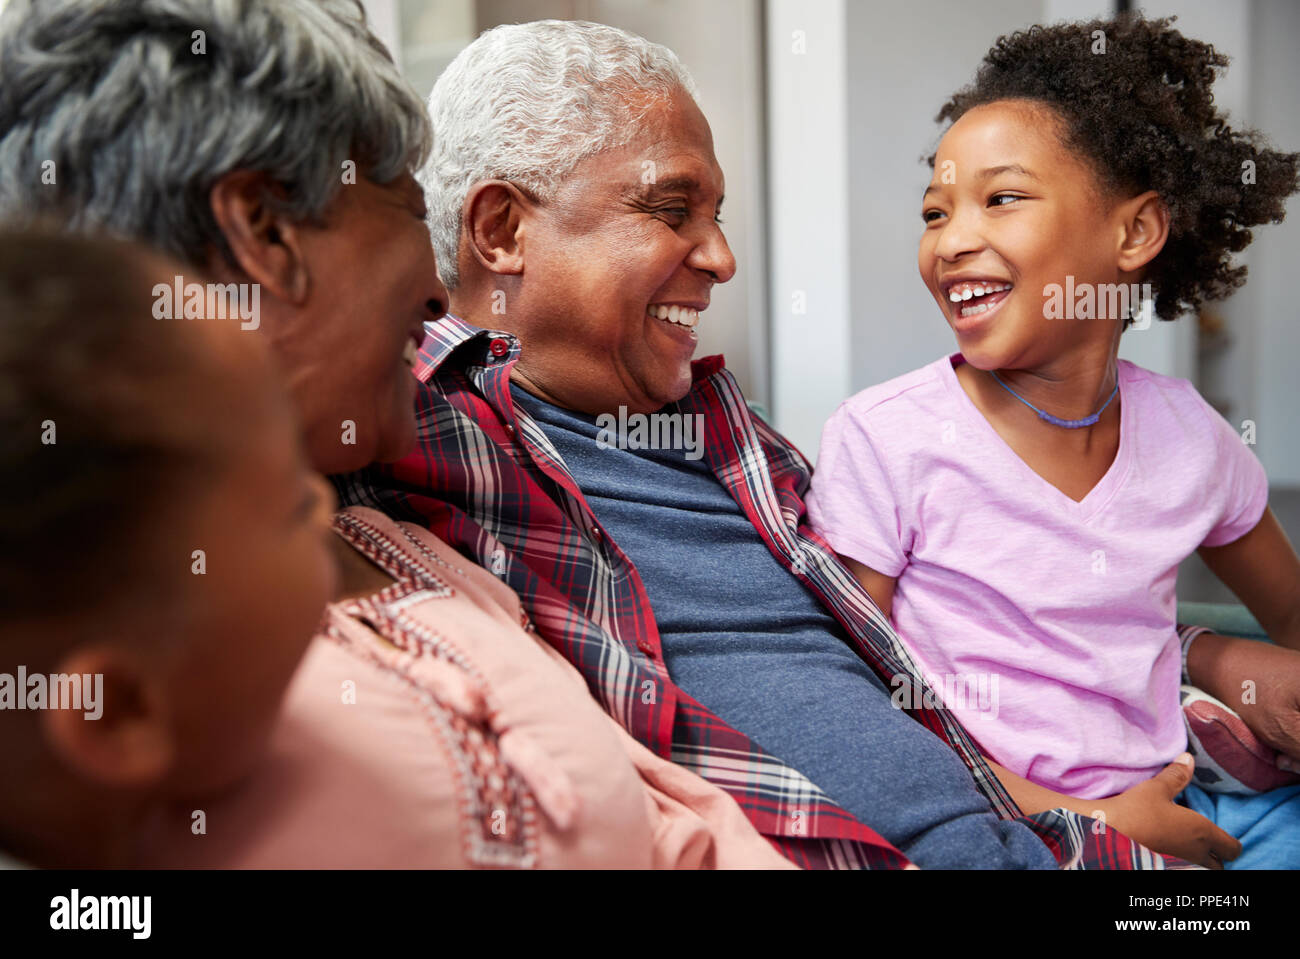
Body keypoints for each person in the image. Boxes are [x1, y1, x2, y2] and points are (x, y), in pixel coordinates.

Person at [336, 18, 1183, 869]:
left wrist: (1189, 664)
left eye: (717, 216)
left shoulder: (733, 436)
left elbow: (980, 614)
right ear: (501, 231)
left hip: (1052, 839)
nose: (722, 257)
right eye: (672, 209)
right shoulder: (420, 425)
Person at [0, 0, 789, 869]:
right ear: (263, 230)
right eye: (409, 208)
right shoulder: (140, 630)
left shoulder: (408, 550)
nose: (440, 293)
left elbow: (672, 822)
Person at [806, 15, 1300, 869]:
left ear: (1134, 234)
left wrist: (1240, 673)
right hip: (996, 818)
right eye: (935, 212)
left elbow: (1289, 608)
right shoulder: (887, 437)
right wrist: (1093, 818)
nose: (952, 240)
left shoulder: (1191, 438)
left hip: (1179, 798)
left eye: (1001, 198)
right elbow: (850, 696)